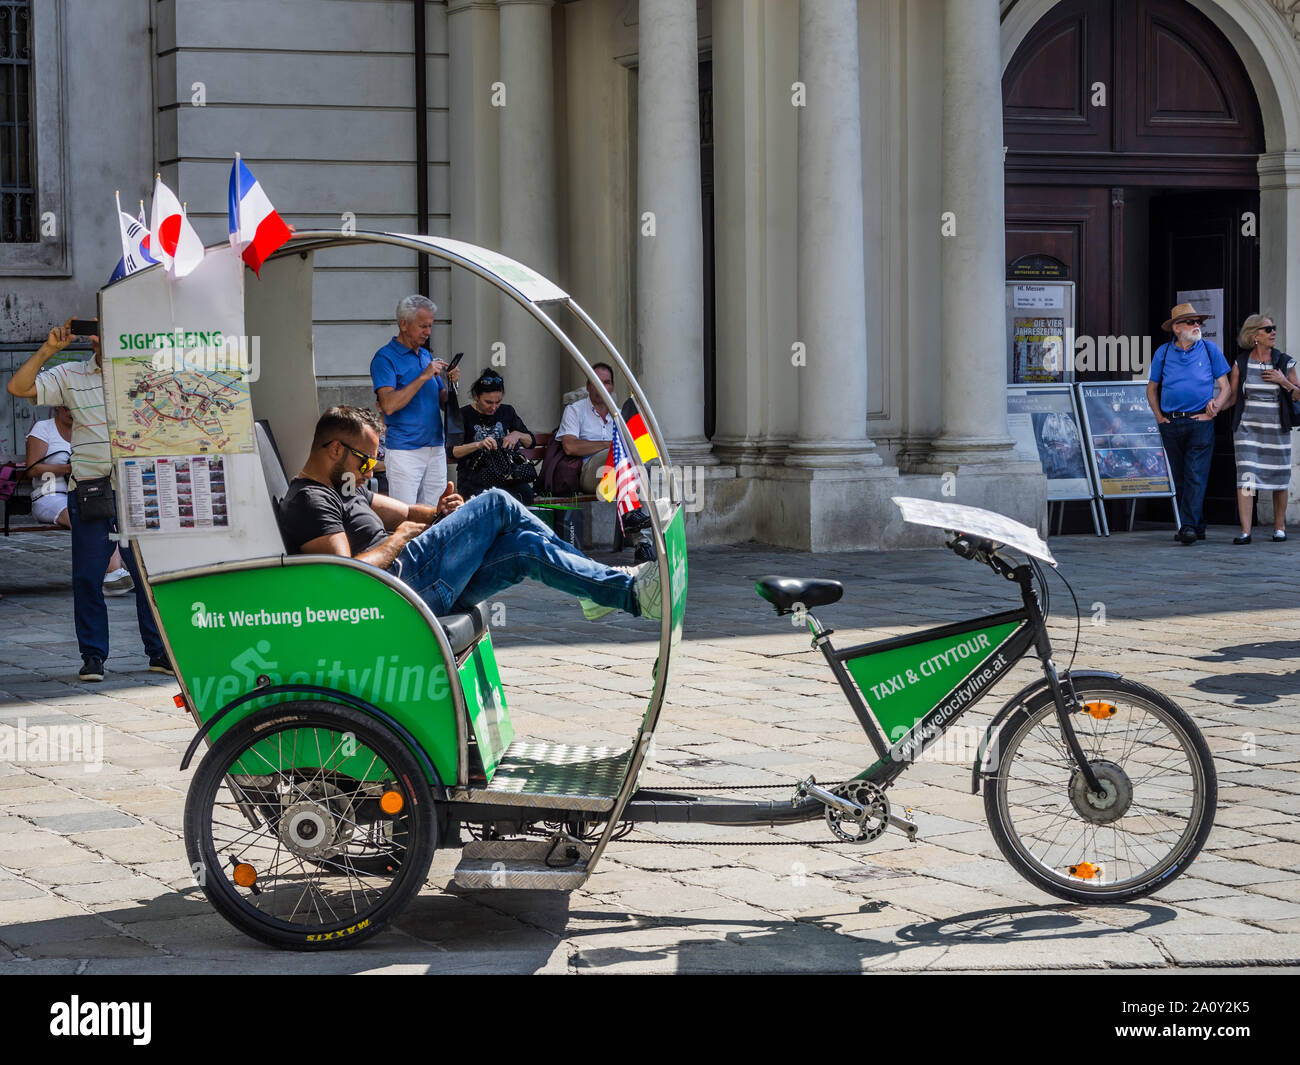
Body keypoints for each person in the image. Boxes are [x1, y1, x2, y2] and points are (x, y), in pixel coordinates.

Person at [277, 406, 660, 623]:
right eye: (365, 460)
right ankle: (607, 584)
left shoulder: (346, 485)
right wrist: (398, 539)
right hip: (399, 588)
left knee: (524, 547)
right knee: (496, 502)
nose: (369, 470)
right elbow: (341, 576)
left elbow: (409, 511)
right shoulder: (312, 500)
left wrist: (439, 513)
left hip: (416, 577)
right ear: (333, 449)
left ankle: (616, 592)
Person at [5, 320, 173, 681]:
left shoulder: (145, 372)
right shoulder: (70, 374)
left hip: (137, 487)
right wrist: (50, 349)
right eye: (97, 327)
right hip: (91, 488)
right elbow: (18, 386)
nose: (102, 333)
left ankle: (159, 651)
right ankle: (93, 655)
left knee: (147, 576)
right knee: (88, 576)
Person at [1145, 302, 1231, 545]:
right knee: (1181, 477)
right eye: (1190, 322)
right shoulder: (1163, 352)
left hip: (1200, 422)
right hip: (1171, 422)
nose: (1196, 326)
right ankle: (1196, 524)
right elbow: (1151, 389)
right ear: (1176, 328)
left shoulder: (1209, 349)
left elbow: (1225, 387)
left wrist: (1213, 410)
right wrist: (1159, 417)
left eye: (1197, 322)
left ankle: (1189, 527)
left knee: (1195, 474)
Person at [26, 406, 134, 595]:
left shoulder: (87, 430)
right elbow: (32, 469)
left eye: (74, 407)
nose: (70, 412)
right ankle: (111, 572)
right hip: (50, 494)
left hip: (84, 494)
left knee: (103, 516)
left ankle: (113, 573)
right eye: (65, 408)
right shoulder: (43, 428)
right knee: (81, 517)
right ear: (56, 407)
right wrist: (69, 468)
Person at [370, 294, 460, 505]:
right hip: (404, 449)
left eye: (430, 326)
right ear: (403, 324)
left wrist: (453, 384)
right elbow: (389, 405)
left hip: (436, 447)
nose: (428, 333)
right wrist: (423, 376)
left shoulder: (426, 355)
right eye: (422, 327)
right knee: (406, 515)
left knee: (436, 512)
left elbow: (442, 401)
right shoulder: (385, 358)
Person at [1227, 313, 1298, 544]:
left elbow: (1298, 394)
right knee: (1247, 479)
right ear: (1254, 335)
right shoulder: (1241, 362)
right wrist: (1210, 409)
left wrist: (1283, 381)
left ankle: (1279, 527)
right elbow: (1232, 397)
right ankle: (1246, 531)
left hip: (1277, 429)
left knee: (1279, 478)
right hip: (1248, 430)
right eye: (1268, 329)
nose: (1273, 333)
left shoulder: (1284, 362)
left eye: (1273, 328)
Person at [449, 370, 537, 503]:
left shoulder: (507, 411)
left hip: (505, 476)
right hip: (474, 478)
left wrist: (517, 434)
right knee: (490, 501)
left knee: (526, 494)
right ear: (476, 396)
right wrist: (478, 444)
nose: (494, 407)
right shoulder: (464, 414)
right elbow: (452, 451)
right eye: (488, 402)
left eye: (498, 402)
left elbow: (531, 442)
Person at [557, 362, 617, 494]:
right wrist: (608, 445)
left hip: (616, 472)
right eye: (596, 382)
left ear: (612, 387)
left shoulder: (619, 415)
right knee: (616, 456)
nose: (601, 387)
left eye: (606, 382)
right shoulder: (575, 410)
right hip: (586, 473)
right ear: (588, 386)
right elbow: (569, 447)